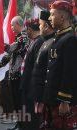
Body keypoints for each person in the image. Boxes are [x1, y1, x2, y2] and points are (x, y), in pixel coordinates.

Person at [40, 1, 77, 130]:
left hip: (61, 101)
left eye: (52, 15)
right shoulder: (59, 38)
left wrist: (64, 100)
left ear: (62, 17)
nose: (49, 19)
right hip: (51, 97)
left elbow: (69, 72)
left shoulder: (70, 39)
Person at [0, 16, 29, 124]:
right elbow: (10, 54)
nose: (11, 27)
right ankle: (19, 124)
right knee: (15, 100)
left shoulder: (24, 37)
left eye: (12, 25)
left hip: (20, 74)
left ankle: (22, 124)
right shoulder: (19, 37)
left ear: (19, 24)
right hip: (14, 74)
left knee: (19, 101)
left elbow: (11, 49)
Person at [15, 18, 44, 130]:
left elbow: (37, 67)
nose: (26, 32)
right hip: (27, 85)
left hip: (31, 87)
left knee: (31, 117)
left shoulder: (39, 42)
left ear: (30, 29)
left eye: (26, 29)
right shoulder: (35, 41)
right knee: (27, 114)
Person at [30, 10, 55, 129]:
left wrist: (42, 96)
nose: (39, 26)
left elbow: (48, 72)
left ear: (46, 26)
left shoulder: (52, 42)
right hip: (38, 92)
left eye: (40, 24)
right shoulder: (45, 41)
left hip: (44, 94)